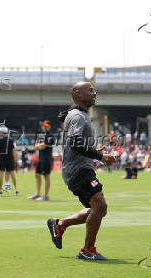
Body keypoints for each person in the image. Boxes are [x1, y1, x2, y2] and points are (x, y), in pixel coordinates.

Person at [46, 82, 115, 260]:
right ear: (78, 94)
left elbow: (80, 143)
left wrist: (97, 151)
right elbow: (75, 142)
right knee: (100, 206)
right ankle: (87, 250)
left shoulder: (80, 115)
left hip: (80, 169)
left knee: (99, 209)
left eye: (94, 90)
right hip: (78, 170)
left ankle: (60, 225)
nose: (94, 93)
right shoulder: (78, 116)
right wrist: (101, 157)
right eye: (90, 90)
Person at [29, 120, 55, 201]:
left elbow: (43, 146)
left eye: (45, 126)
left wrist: (38, 146)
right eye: (44, 126)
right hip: (41, 159)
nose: (44, 127)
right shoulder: (43, 136)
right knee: (37, 174)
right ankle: (38, 194)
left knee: (46, 176)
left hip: (46, 159)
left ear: (49, 127)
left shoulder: (50, 136)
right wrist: (38, 146)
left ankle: (46, 196)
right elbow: (38, 145)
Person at [0, 126, 20, 196]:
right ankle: (16, 191)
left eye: (0, 132)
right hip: (10, 159)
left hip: (2, 158)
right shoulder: (11, 140)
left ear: (3, 132)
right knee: (12, 174)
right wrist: (16, 160)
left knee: (1, 174)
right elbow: (14, 151)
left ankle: (0, 191)